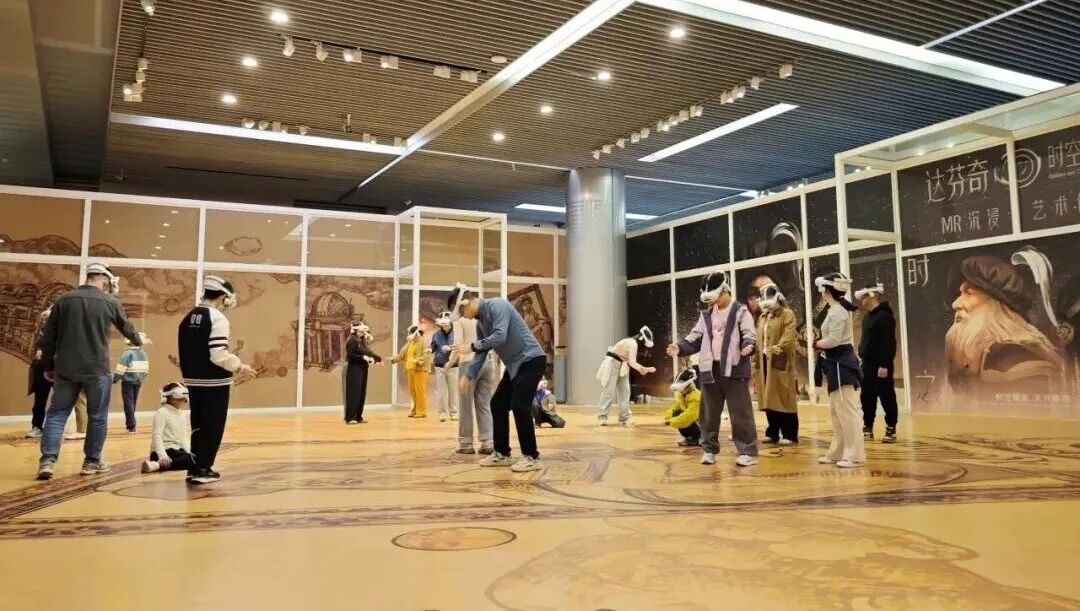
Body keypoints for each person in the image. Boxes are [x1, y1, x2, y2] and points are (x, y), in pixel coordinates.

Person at [36, 262, 145, 480]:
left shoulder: (64, 300)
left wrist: (48, 366)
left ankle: (47, 461)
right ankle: (92, 462)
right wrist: (137, 341)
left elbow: (49, 336)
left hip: (65, 368)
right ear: (104, 279)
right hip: (97, 369)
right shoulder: (110, 301)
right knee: (97, 416)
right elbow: (128, 329)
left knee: (57, 414)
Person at [447, 283, 547, 472]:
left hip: (531, 360)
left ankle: (532, 457)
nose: (462, 316)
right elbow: (481, 352)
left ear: (467, 303)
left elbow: (500, 336)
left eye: (460, 312)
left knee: (519, 406)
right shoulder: (481, 323)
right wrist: (468, 375)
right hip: (515, 366)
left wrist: (471, 346)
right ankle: (502, 454)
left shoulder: (497, 305)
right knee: (498, 404)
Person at [667, 272, 759, 467]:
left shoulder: (741, 311)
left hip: (734, 369)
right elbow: (695, 337)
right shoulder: (707, 315)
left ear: (725, 290)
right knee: (708, 413)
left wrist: (748, 345)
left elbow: (749, 334)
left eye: (715, 297)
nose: (713, 303)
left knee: (740, 412)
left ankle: (747, 451)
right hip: (710, 369)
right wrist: (680, 347)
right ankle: (709, 449)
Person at [945, 255, 1063, 399]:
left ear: (995, 307)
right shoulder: (987, 356)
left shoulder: (1014, 357)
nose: (956, 304)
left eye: (968, 293)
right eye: (960, 294)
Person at [178, 274, 256, 485]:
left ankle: (195, 466)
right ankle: (203, 468)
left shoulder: (188, 317)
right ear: (224, 297)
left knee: (198, 424)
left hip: (193, 380)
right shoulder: (218, 318)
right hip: (214, 382)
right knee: (212, 424)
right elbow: (218, 354)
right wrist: (240, 367)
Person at [813, 272, 865, 468]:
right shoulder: (836, 310)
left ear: (827, 291)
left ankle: (854, 455)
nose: (821, 293)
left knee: (848, 413)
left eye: (822, 290)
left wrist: (817, 343)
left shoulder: (837, 312)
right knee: (837, 413)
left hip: (842, 366)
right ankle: (837, 452)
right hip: (835, 365)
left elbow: (834, 340)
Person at [755, 283, 799, 445]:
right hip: (764, 363)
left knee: (784, 397)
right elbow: (758, 339)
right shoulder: (762, 317)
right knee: (768, 397)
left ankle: (789, 434)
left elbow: (789, 335)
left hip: (780, 360)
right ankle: (772, 432)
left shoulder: (787, 314)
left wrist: (778, 346)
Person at [855, 283, 898, 443]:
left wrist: (884, 365)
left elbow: (889, 343)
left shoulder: (885, 317)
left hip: (881, 364)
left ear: (872, 296)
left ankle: (891, 427)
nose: (862, 300)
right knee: (867, 396)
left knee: (886, 396)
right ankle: (868, 426)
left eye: (864, 296)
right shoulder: (867, 317)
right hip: (867, 364)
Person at [448, 311, 495, 454]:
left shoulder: (459, 321)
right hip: (487, 363)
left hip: (468, 363)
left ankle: (466, 443)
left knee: (465, 405)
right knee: (484, 403)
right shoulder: (484, 319)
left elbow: (457, 344)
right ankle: (488, 441)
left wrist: (450, 362)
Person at [596, 326, 657, 427]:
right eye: (645, 343)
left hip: (623, 365)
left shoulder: (632, 343)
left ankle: (624, 417)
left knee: (625, 391)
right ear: (641, 338)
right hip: (612, 363)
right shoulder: (632, 343)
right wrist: (643, 368)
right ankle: (602, 416)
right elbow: (633, 363)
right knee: (609, 391)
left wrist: (643, 369)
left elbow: (631, 362)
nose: (644, 347)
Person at [141, 383, 195, 474]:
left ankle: (157, 465)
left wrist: (190, 453)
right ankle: (161, 463)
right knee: (193, 460)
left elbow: (183, 437)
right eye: (180, 396)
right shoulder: (162, 412)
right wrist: (162, 456)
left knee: (195, 458)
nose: (183, 399)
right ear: (170, 397)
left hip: (176, 451)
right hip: (161, 452)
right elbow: (157, 436)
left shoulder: (182, 414)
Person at [344, 321, 381, 424]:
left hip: (363, 369)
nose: (362, 333)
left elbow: (368, 352)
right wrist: (362, 357)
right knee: (354, 393)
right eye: (360, 331)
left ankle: (358, 416)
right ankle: (351, 417)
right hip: (354, 370)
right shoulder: (352, 342)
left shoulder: (361, 342)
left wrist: (376, 359)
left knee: (361, 393)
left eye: (363, 331)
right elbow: (351, 355)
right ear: (355, 331)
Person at [392, 325, 432, 418]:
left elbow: (427, 355)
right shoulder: (410, 342)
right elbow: (403, 354)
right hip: (410, 369)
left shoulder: (423, 341)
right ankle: (415, 410)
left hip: (420, 369)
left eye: (411, 332)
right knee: (413, 392)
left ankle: (421, 411)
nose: (409, 334)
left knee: (419, 391)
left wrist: (417, 361)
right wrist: (394, 359)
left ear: (416, 333)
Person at [25, 308, 52, 438]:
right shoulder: (38, 332)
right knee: (39, 400)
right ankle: (37, 427)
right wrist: (37, 351)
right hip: (40, 368)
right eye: (43, 319)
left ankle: (54, 427)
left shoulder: (59, 331)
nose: (44, 321)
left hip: (55, 368)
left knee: (60, 401)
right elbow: (33, 347)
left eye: (47, 319)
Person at [114, 337, 150, 433]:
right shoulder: (143, 353)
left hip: (128, 381)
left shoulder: (127, 353)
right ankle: (131, 424)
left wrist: (115, 379)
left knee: (128, 402)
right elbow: (146, 369)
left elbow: (121, 368)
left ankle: (131, 425)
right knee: (133, 402)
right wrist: (142, 378)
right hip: (138, 381)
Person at [430, 311, 459, 422]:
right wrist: (430, 350)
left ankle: (454, 413)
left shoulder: (457, 333)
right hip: (439, 365)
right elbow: (433, 346)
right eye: (442, 324)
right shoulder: (436, 334)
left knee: (453, 391)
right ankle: (442, 413)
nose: (444, 326)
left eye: (445, 324)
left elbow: (460, 346)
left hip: (453, 365)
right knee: (441, 391)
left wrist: (450, 348)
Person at [663, 367, 701, 447]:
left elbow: (690, 416)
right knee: (676, 413)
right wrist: (668, 417)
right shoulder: (684, 395)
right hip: (697, 421)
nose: (680, 390)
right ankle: (691, 437)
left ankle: (698, 437)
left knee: (681, 416)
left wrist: (672, 421)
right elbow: (677, 407)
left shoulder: (696, 397)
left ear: (689, 386)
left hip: (704, 424)